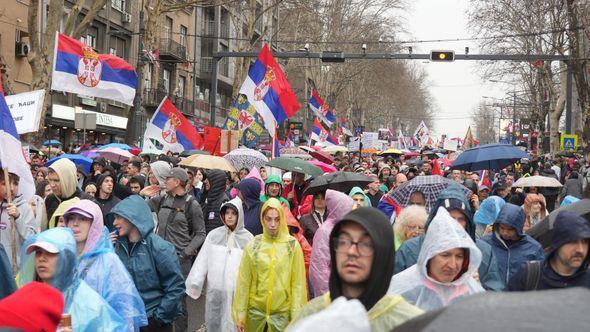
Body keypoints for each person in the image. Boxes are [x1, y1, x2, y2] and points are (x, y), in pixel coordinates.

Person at [289, 207, 423, 331]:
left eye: (365, 244)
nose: (352, 251)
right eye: (343, 241)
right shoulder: (312, 314)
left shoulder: (409, 322)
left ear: (383, 254)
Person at [395, 185, 505, 291]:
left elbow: (495, 294)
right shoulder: (410, 249)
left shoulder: (483, 252)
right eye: (450, 217)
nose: (455, 223)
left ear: (468, 222)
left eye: (460, 219)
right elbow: (394, 290)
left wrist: (476, 286)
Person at [63, 199, 147, 331]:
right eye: (71, 218)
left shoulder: (108, 262)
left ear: (94, 224)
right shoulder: (62, 258)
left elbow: (125, 311)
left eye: (83, 219)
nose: (75, 224)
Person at [19, 227, 126, 331]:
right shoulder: (31, 296)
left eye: (49, 253)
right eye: (38, 252)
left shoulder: (88, 303)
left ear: (67, 258)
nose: (41, 258)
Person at [107, 195, 186, 332]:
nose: (114, 223)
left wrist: (157, 319)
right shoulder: (115, 246)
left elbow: (175, 287)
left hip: (153, 321)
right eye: (114, 218)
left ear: (133, 217)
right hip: (125, 321)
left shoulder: (159, 247)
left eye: (119, 217)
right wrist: (105, 249)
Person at [232, 198, 307, 332]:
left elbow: (297, 284)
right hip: (255, 314)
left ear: (282, 219)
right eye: (269, 219)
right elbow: (244, 282)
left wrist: (297, 316)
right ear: (262, 219)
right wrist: (240, 314)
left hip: (282, 315)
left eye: (277, 219)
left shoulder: (291, 246)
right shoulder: (254, 245)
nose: (273, 224)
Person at [388, 207, 485, 311]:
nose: (452, 265)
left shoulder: (472, 290)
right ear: (430, 255)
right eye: (445, 255)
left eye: (459, 256)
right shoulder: (404, 287)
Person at [148, 167, 205, 331]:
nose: (165, 181)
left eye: (168, 179)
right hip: (159, 259)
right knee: (159, 299)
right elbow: (142, 209)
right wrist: (146, 193)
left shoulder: (192, 204)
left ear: (177, 182)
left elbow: (201, 234)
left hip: (180, 262)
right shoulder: (161, 199)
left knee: (178, 303)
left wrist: (185, 253)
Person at [186, 197, 253, 332]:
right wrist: (195, 282)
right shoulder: (214, 236)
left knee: (234, 323)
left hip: (237, 291)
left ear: (239, 215)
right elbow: (202, 260)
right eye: (227, 213)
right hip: (216, 289)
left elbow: (252, 267)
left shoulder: (248, 239)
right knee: (214, 321)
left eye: (233, 213)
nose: (229, 217)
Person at [508, 211, 590, 290]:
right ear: (558, 242)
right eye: (573, 242)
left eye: (585, 242)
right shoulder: (530, 274)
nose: (581, 250)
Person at [482, 203, 545, 285]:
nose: (505, 233)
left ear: (518, 227)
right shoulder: (485, 244)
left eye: (510, 229)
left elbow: (541, 276)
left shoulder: (534, 248)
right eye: (502, 228)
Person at [310, 190, 354, 297]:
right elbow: (319, 268)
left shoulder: (343, 228)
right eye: (347, 208)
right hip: (331, 293)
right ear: (339, 208)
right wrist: (328, 295)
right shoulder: (325, 231)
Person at [0, 170, 38, 267]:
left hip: (17, 268)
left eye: (15, 184)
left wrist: (18, 217)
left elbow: (32, 239)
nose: (11, 188)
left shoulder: (25, 208)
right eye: (5, 184)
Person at [44, 158, 94, 227]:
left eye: (56, 180)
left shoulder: (87, 201)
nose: (52, 185)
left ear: (68, 179)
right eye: (50, 180)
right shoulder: (50, 199)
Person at [202, 169, 230, 234]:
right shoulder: (209, 198)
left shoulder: (224, 202)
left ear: (215, 181)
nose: (205, 181)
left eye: (208, 179)